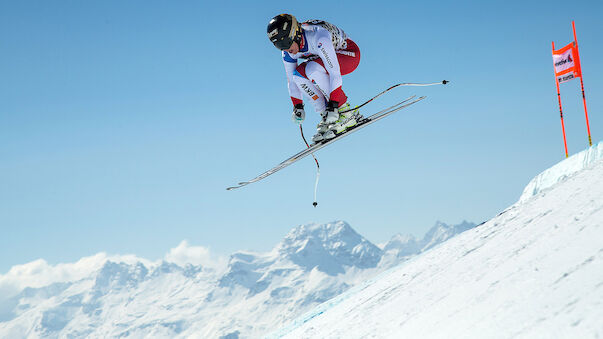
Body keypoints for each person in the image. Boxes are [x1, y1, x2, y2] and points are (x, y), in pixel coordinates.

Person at [267, 14, 362, 143]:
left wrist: (334, 104)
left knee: (312, 69)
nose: (286, 49)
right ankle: (327, 117)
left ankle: (346, 113)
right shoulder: (288, 50)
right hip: (324, 61)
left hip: (349, 54)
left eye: (285, 43)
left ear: (295, 34)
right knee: (298, 75)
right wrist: (298, 106)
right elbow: (291, 80)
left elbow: (334, 73)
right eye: (279, 46)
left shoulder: (318, 37)